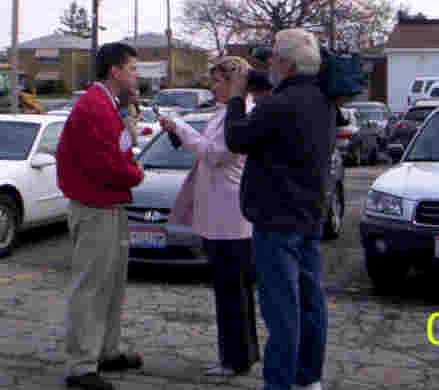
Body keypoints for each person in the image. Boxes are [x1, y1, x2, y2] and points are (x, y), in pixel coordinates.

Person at [224, 28, 336, 390]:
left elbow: (236, 138)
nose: (268, 61)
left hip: (275, 220)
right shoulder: (323, 100)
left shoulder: (276, 106)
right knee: (310, 303)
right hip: (310, 216)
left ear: (286, 64)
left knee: (281, 309)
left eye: (272, 56)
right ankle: (309, 378)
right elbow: (280, 87)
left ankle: (279, 382)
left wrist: (237, 97)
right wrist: (257, 79)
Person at [157, 56, 260, 377]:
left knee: (233, 292)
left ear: (233, 82)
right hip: (219, 214)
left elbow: (217, 154)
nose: (212, 86)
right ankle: (238, 354)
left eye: (217, 81)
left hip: (231, 218)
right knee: (229, 290)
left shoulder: (242, 113)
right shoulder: (225, 112)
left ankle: (236, 359)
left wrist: (183, 129)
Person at [56, 42, 144, 390]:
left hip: (109, 206)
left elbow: (120, 152)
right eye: (133, 69)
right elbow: (108, 165)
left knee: (111, 285)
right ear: (115, 71)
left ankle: (105, 350)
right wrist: (136, 174)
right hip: (94, 208)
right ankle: (81, 365)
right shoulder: (94, 108)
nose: (137, 76)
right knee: (91, 287)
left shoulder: (108, 106)